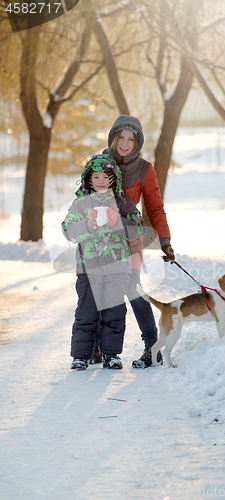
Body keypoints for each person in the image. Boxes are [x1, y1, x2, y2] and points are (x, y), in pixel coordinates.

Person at [96, 115, 175, 369]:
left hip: (131, 239)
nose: (125, 143)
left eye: (131, 139)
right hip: (103, 240)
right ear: (113, 137)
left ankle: (153, 348)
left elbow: (155, 209)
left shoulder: (144, 169)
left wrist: (165, 240)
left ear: (137, 142)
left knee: (132, 287)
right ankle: (98, 348)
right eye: (121, 137)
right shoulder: (100, 163)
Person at [62, 154, 143, 370]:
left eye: (105, 177)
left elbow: (137, 228)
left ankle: (111, 354)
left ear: (113, 180)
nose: (100, 181)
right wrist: (87, 226)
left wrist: (118, 222)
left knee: (114, 312)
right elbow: (68, 230)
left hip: (117, 268)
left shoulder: (122, 202)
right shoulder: (80, 204)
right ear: (88, 179)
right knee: (86, 312)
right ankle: (81, 356)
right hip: (89, 269)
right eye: (95, 176)